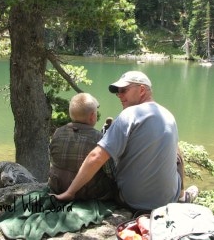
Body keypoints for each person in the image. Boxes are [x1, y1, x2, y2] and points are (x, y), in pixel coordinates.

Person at [54, 71, 185, 211]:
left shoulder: (129, 115)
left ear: (141, 90)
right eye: (118, 92)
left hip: (130, 200)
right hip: (167, 200)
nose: (120, 95)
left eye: (124, 90)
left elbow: (96, 156)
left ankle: (110, 131)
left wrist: (69, 192)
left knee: (115, 149)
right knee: (177, 154)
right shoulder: (168, 115)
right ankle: (182, 195)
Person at [48, 92, 116, 200]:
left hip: (57, 187)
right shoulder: (98, 137)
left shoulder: (57, 132)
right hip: (86, 193)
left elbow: (52, 158)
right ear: (92, 116)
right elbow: (110, 172)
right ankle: (108, 131)